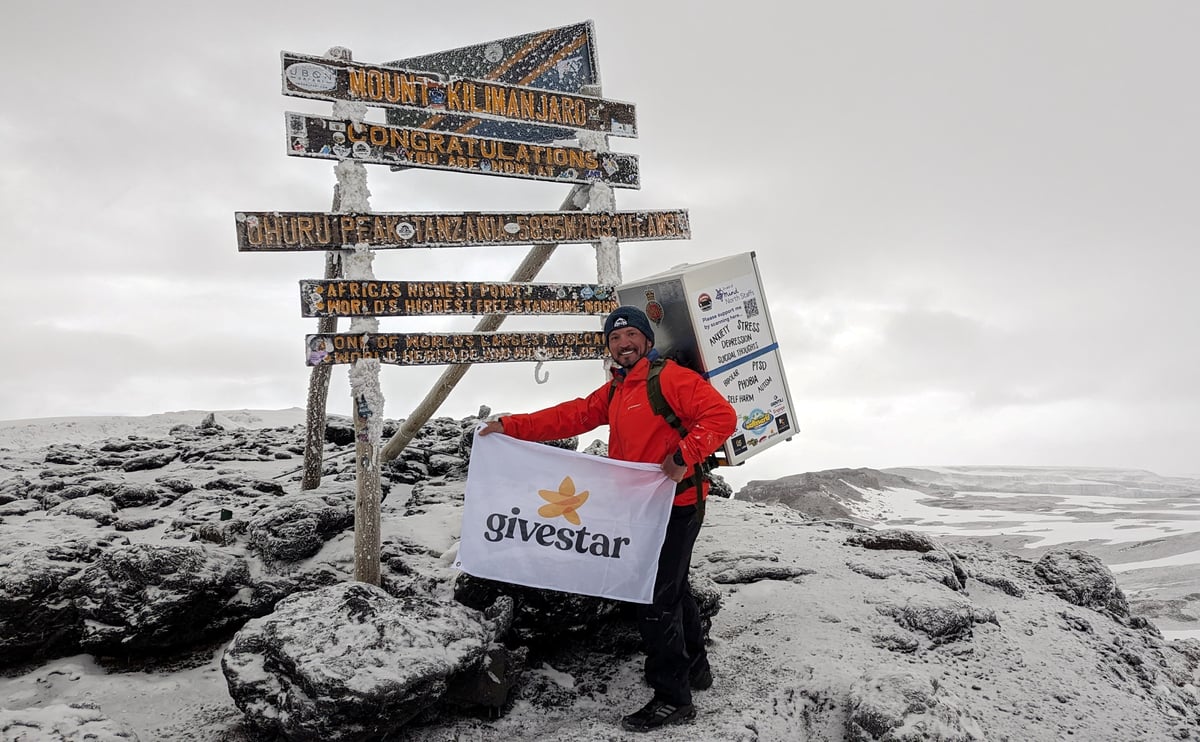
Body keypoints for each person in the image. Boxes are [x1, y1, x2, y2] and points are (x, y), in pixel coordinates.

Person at [479, 305, 737, 732]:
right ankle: (694, 668)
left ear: (647, 341)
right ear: (609, 348)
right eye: (614, 339)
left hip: (677, 504)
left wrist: (681, 456)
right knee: (672, 590)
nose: (623, 344)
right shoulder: (618, 389)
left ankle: (673, 698)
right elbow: (570, 415)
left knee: (654, 598)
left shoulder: (669, 378)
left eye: (630, 335)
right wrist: (510, 426)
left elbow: (722, 418)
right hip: (640, 509)